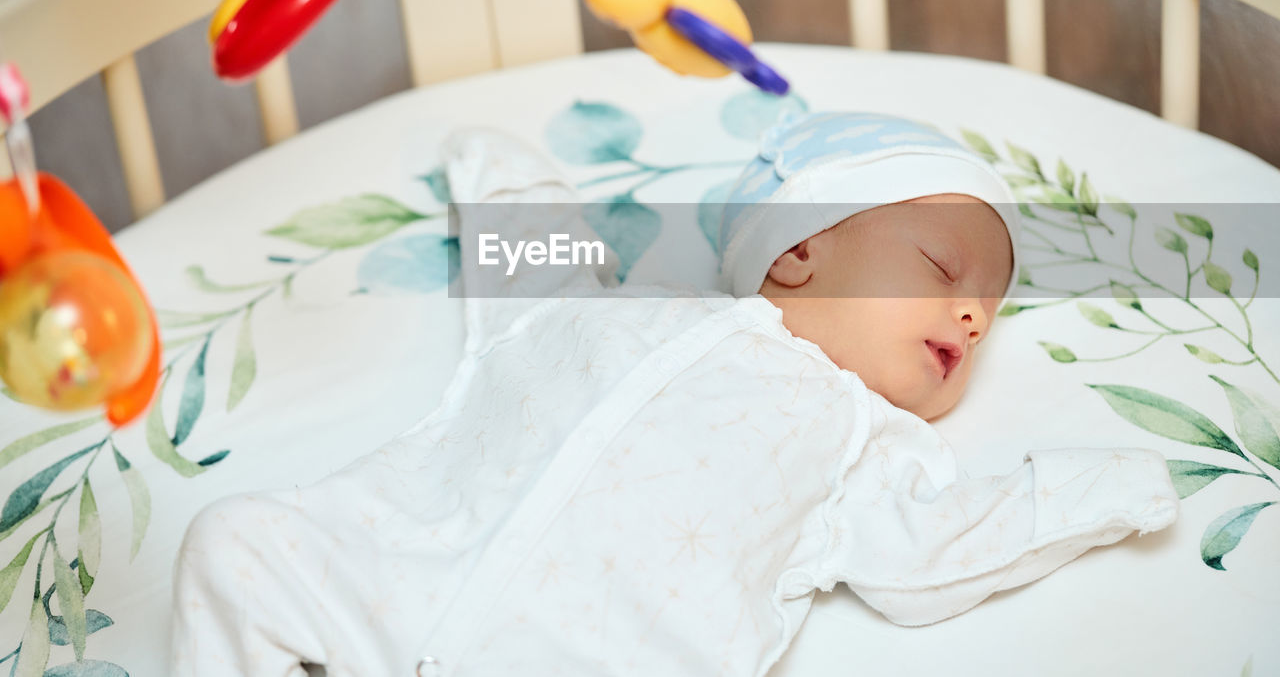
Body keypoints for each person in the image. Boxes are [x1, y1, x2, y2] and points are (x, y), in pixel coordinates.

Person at [171, 112, 1178, 677]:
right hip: (387, 562)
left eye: (990, 310)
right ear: (796, 248)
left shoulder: (860, 442)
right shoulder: (605, 305)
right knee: (233, 543)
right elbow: (529, 247)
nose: (971, 317)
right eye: (942, 268)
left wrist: (1101, 490)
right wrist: (495, 154)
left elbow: (944, 546)